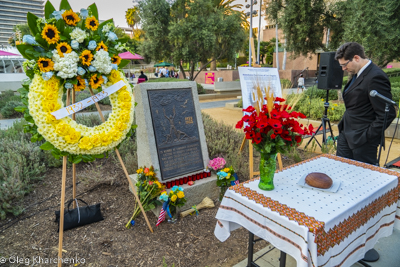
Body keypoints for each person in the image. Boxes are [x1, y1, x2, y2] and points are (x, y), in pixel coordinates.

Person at [335, 42, 396, 166]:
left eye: (345, 64)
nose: (343, 69)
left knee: (364, 179)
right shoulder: (358, 73)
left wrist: (366, 137)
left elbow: (388, 113)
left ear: (356, 58)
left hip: (362, 141)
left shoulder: (376, 76)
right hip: (346, 134)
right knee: (341, 172)